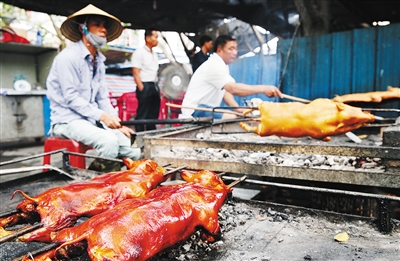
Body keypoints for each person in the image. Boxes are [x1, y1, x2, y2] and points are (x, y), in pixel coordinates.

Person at [46, 4, 140, 172]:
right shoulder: (67, 58)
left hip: (90, 120)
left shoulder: (99, 60)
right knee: (108, 143)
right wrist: (103, 117)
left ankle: (96, 174)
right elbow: (71, 98)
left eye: (104, 25)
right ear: (83, 28)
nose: (103, 29)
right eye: (97, 24)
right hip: (67, 120)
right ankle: (104, 188)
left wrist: (117, 124)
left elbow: (102, 98)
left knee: (134, 149)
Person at [181, 34, 282, 119]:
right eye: (231, 49)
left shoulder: (222, 65)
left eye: (236, 48)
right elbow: (233, 89)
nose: (235, 52)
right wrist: (264, 89)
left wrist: (238, 109)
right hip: (195, 110)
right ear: (219, 50)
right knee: (232, 118)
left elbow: (224, 92)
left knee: (236, 115)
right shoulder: (213, 66)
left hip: (206, 108)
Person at [131, 28, 161, 132]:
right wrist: (142, 88)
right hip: (144, 84)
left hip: (154, 85)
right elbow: (135, 72)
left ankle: (151, 134)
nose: (157, 40)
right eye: (155, 37)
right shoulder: (139, 52)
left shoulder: (155, 54)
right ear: (148, 38)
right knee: (142, 113)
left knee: (153, 114)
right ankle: (139, 136)